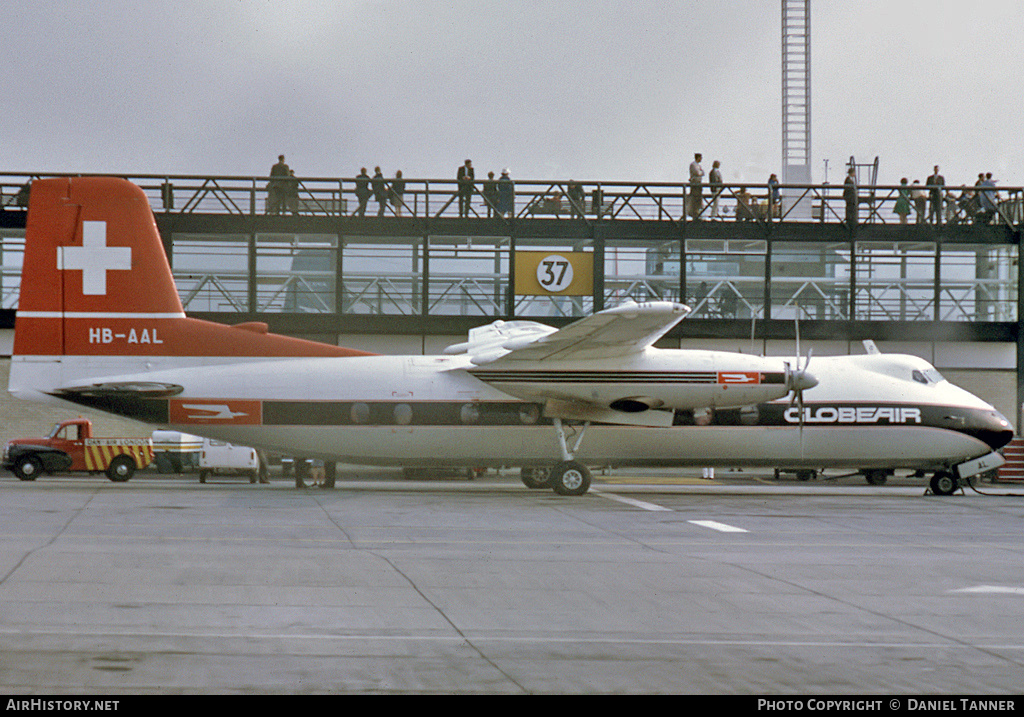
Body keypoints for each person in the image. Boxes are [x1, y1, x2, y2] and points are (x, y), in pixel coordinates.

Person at [688, 153, 704, 218]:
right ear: (698, 157)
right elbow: (698, 173)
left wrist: (701, 172)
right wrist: (701, 172)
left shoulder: (698, 165)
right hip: (695, 184)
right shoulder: (693, 165)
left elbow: (702, 172)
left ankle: (698, 213)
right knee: (694, 198)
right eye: (701, 157)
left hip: (698, 184)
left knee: (698, 198)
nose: (701, 159)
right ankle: (694, 213)